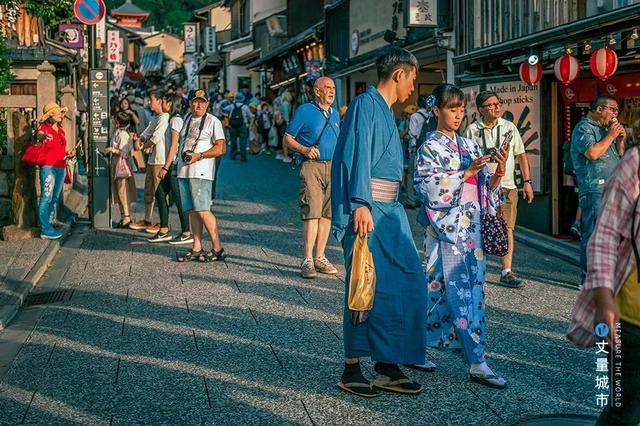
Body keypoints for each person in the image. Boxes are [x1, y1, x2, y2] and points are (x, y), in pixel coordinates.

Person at [332, 46, 426, 397]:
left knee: (405, 281)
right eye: (413, 79)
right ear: (399, 73)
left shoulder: (384, 110)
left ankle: (387, 363)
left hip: (390, 211)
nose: (413, 89)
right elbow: (356, 155)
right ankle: (353, 365)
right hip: (369, 208)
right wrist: (359, 203)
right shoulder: (364, 106)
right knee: (364, 284)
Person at [414, 84, 509, 389]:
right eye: (451, 109)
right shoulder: (429, 147)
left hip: (472, 231)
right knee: (442, 293)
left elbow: (487, 191)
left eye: (460, 110)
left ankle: (469, 357)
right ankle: (473, 360)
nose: (457, 115)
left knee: (469, 294)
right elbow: (429, 190)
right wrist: (467, 174)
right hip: (446, 233)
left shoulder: (470, 146)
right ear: (436, 110)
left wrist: (498, 170)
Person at [567, 147, 640, 424]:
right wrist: (603, 297)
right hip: (630, 317)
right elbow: (606, 234)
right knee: (626, 407)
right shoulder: (635, 163)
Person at [463, 90, 533, 288]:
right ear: (480, 110)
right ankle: (475, 265)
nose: (496, 108)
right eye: (490, 105)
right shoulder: (472, 130)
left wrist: (527, 181)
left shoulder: (509, 127)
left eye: (498, 104)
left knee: (507, 227)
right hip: (482, 187)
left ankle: (506, 271)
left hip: (508, 185)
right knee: (479, 226)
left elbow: (521, 155)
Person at [284, 77, 340, 279]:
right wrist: (304, 149)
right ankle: (307, 259)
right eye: (327, 88)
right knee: (312, 212)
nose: (332, 91)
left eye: (333, 88)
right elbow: (288, 138)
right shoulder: (305, 111)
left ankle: (320, 257)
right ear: (317, 91)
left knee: (327, 214)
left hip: (333, 167)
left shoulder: (335, 113)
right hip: (311, 167)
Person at [570, 94, 625, 282]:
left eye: (617, 110)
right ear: (599, 109)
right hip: (595, 188)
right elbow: (593, 154)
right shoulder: (583, 128)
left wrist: (619, 139)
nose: (615, 114)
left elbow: (619, 154)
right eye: (613, 109)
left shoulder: (605, 129)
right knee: (594, 234)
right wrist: (610, 135)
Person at [175, 89, 227, 262]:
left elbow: (221, 148)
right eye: (195, 101)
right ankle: (196, 247)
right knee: (192, 210)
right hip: (184, 170)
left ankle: (217, 248)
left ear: (207, 104)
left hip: (201, 171)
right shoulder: (188, 118)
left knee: (203, 210)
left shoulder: (213, 121)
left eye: (202, 102)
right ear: (190, 103)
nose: (199, 105)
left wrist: (200, 155)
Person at [149, 93, 194, 244]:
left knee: (179, 199)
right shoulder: (172, 119)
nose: (161, 104)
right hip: (173, 165)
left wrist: (165, 167)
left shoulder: (175, 120)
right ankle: (163, 230)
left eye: (164, 102)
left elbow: (174, 146)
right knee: (160, 193)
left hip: (174, 165)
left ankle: (186, 232)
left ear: (170, 104)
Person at [130, 91, 169, 234]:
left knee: (160, 193)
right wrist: (140, 139)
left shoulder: (164, 117)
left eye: (151, 100)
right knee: (148, 191)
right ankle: (147, 219)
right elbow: (147, 132)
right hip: (153, 159)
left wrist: (142, 146)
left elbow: (156, 137)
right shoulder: (156, 117)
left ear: (159, 101)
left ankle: (162, 222)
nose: (149, 103)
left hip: (160, 159)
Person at [36, 103, 75, 240]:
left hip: (61, 165)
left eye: (61, 112)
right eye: (57, 112)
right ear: (50, 115)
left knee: (54, 198)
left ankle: (50, 222)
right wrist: (43, 137)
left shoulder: (60, 129)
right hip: (48, 167)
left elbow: (60, 149)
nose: (60, 114)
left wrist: (68, 153)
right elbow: (39, 136)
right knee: (46, 197)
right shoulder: (43, 128)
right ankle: (45, 229)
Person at [105, 112, 137, 228]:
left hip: (121, 164)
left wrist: (112, 150)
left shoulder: (123, 134)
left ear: (118, 121)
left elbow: (124, 153)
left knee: (122, 191)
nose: (113, 119)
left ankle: (127, 217)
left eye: (115, 118)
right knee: (119, 191)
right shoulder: (118, 131)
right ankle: (124, 216)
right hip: (117, 163)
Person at [406, 95, 436, 208]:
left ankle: (410, 199)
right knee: (424, 173)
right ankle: (422, 199)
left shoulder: (415, 116)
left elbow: (412, 133)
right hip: (428, 148)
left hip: (416, 148)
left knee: (411, 174)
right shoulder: (431, 115)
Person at [225, 93, 254, 162]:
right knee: (243, 142)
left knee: (233, 141)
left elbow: (224, 109)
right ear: (242, 99)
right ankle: (243, 157)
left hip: (233, 125)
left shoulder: (231, 106)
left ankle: (233, 156)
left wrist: (227, 119)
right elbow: (251, 116)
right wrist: (251, 125)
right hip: (242, 125)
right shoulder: (245, 107)